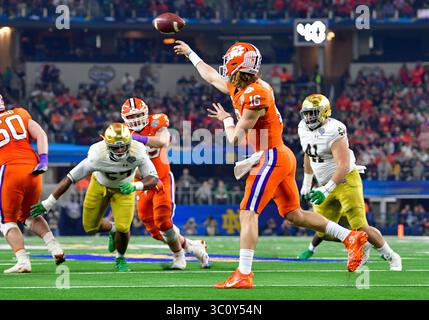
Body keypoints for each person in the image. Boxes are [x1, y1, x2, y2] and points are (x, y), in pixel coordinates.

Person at [174, 40, 368, 289]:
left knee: (247, 212)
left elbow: (236, 138)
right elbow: (212, 77)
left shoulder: (256, 94)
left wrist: (224, 119)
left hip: (271, 157)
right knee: (294, 215)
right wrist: (190, 53)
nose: (224, 69)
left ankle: (244, 274)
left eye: (228, 64)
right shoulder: (243, 87)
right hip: (277, 155)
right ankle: (350, 237)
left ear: (238, 67)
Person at [30, 123, 159, 272]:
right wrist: (48, 203)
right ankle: (112, 229)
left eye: (123, 146)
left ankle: (120, 257)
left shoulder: (138, 151)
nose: (120, 150)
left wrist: (135, 186)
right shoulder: (97, 155)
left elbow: (153, 178)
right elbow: (70, 178)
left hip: (125, 188)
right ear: (106, 144)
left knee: (124, 228)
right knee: (90, 228)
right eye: (116, 147)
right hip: (99, 185)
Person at [297, 94, 402, 271]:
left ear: (324, 112)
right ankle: (363, 242)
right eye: (306, 114)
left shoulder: (335, 129)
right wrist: (307, 184)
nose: (309, 118)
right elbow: (308, 154)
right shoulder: (303, 127)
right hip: (323, 184)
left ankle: (392, 256)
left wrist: (326, 189)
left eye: (313, 113)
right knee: (323, 230)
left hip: (345, 180)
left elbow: (344, 165)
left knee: (359, 225)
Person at [121, 98, 209, 269]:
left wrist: (135, 138)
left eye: (139, 114)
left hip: (161, 179)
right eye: (133, 116)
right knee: (154, 230)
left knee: (163, 222)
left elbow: (163, 141)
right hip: (142, 183)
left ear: (146, 113)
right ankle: (192, 246)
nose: (137, 119)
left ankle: (178, 256)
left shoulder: (157, 121)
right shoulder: (121, 132)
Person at [0, 93, 64, 273]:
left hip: (9, 170)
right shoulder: (20, 113)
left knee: (7, 221)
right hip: (33, 167)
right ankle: (54, 248)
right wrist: (43, 159)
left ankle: (22, 261)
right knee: (28, 215)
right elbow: (41, 134)